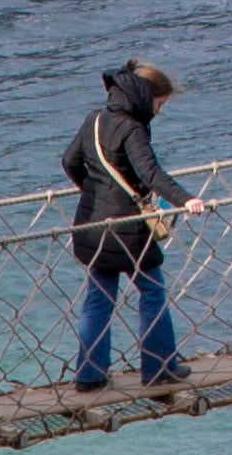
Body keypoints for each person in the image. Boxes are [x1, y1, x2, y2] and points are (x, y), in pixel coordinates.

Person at [63, 60, 190, 392]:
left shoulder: (95, 120)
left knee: (98, 296)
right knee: (151, 290)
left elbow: (69, 161)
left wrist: (92, 190)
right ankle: (159, 368)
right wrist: (185, 199)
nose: (159, 112)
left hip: (90, 227)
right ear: (146, 98)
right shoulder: (133, 129)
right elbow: (151, 174)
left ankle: (89, 376)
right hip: (128, 232)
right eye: (160, 105)